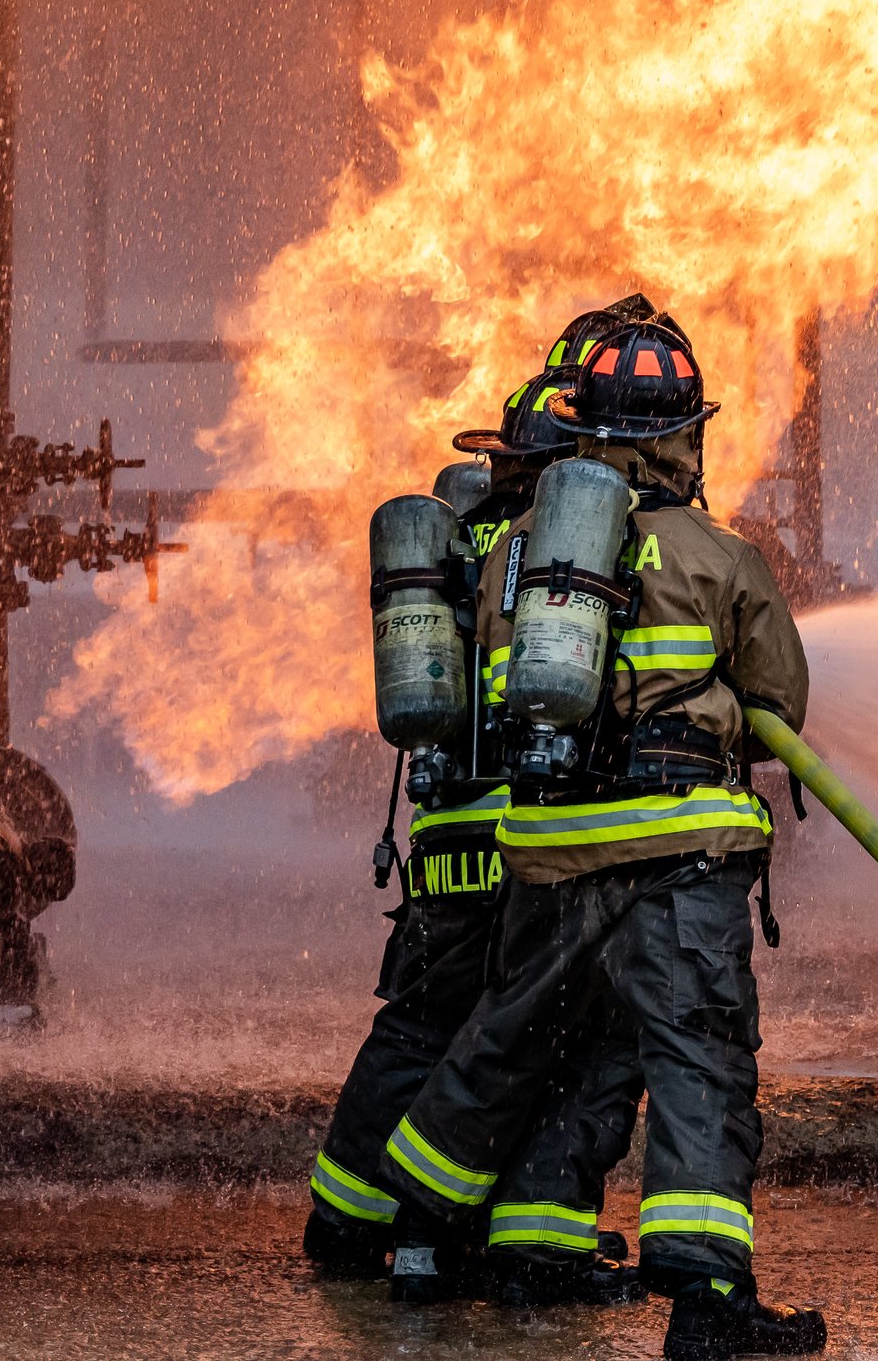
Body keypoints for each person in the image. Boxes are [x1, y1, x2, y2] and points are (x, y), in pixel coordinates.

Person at [379, 318, 825, 1361]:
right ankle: (708, 1294)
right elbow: (781, 699)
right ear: (681, 435)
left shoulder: (522, 554)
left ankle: (429, 1235)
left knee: (519, 1042)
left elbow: (491, 691)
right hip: (679, 852)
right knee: (693, 1057)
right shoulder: (718, 556)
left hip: (544, 853)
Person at [306, 303, 656, 1308]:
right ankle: (521, 1240)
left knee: (419, 1024)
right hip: (533, 839)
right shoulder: (568, 562)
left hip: (446, 834)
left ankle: (347, 1218)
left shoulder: (461, 541)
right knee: (558, 1042)